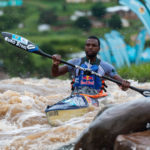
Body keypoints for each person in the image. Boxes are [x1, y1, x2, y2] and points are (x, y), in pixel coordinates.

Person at [51, 36, 130, 98]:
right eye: (88, 45)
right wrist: (55, 65)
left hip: (96, 97)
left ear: (98, 48)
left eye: (94, 45)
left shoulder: (106, 67)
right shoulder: (74, 62)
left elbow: (122, 86)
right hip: (76, 97)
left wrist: (124, 85)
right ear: (85, 47)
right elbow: (56, 73)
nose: (90, 47)